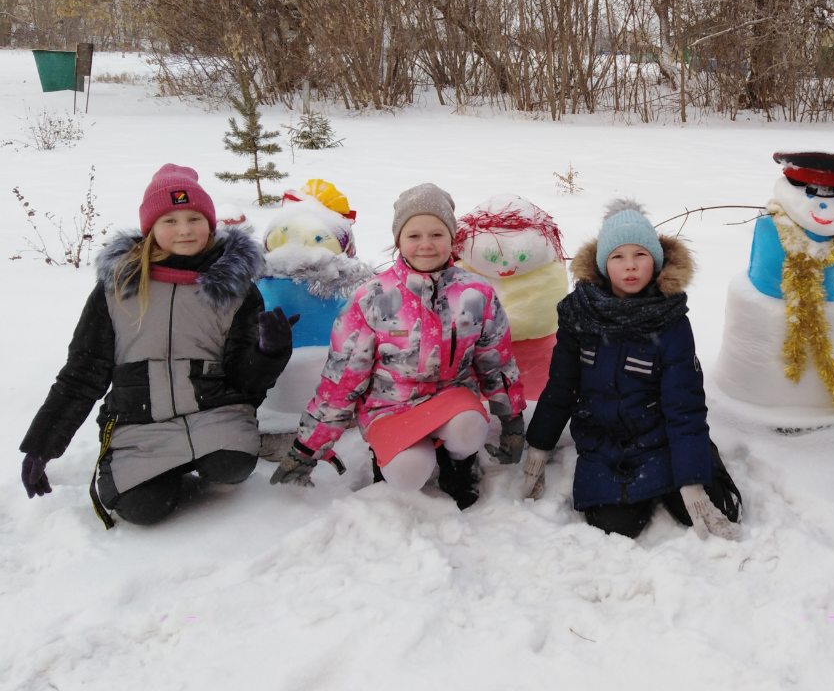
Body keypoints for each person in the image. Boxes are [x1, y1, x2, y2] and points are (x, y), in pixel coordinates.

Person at [19, 164, 293, 527]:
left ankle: (200, 463)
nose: (184, 229)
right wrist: (43, 444)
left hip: (215, 414)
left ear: (210, 224)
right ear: (150, 228)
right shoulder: (119, 287)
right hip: (139, 422)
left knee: (232, 466)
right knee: (140, 509)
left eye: (194, 218)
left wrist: (268, 352)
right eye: (170, 220)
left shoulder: (235, 288)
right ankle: (162, 477)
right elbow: (82, 372)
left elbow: (245, 383)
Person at [269, 183, 526, 509]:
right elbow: (342, 379)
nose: (426, 245)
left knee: (469, 427)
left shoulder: (476, 293)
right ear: (399, 240)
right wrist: (306, 449)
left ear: (451, 238)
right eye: (414, 235)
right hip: (389, 408)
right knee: (408, 473)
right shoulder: (372, 297)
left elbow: (496, 362)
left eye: (437, 234)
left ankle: (459, 464)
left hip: (453, 402)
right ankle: (396, 458)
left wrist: (512, 421)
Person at [521, 199, 742, 540]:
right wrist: (539, 444)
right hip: (603, 442)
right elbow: (561, 387)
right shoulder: (580, 314)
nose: (630, 266)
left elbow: (684, 405)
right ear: (602, 264)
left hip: (658, 437)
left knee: (721, 509)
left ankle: (696, 461)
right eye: (618, 257)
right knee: (616, 526)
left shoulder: (671, 322)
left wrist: (693, 480)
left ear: (655, 260)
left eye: (640, 255)